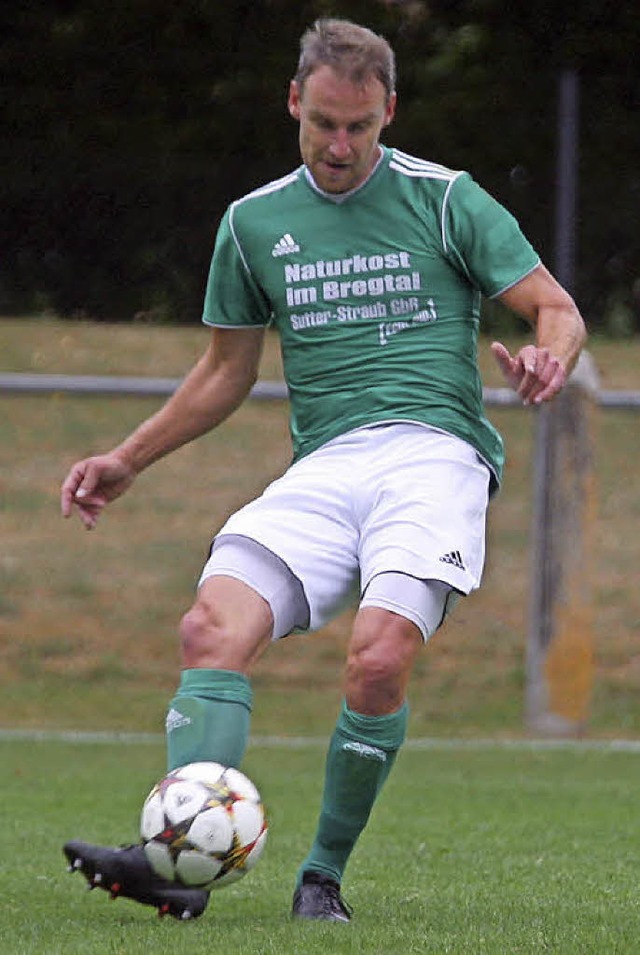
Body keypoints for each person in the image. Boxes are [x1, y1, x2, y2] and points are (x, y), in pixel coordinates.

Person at [61, 17, 587, 923]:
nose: (341, 146)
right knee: (207, 632)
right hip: (325, 465)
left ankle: (322, 877)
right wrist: (127, 457)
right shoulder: (254, 222)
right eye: (325, 125)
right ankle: (177, 869)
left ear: (389, 112)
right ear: (295, 102)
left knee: (377, 659)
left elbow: (556, 307)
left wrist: (550, 355)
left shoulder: (446, 198)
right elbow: (226, 373)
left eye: (361, 127)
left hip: (434, 456)